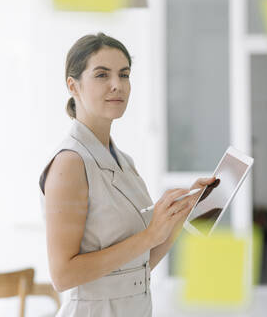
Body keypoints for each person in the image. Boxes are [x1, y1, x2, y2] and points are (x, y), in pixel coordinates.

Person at [38, 32, 215, 317]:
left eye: (124, 74)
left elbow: (139, 264)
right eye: (101, 75)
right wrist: (150, 235)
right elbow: (62, 275)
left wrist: (178, 216)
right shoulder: (70, 163)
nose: (116, 85)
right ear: (73, 85)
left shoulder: (124, 162)